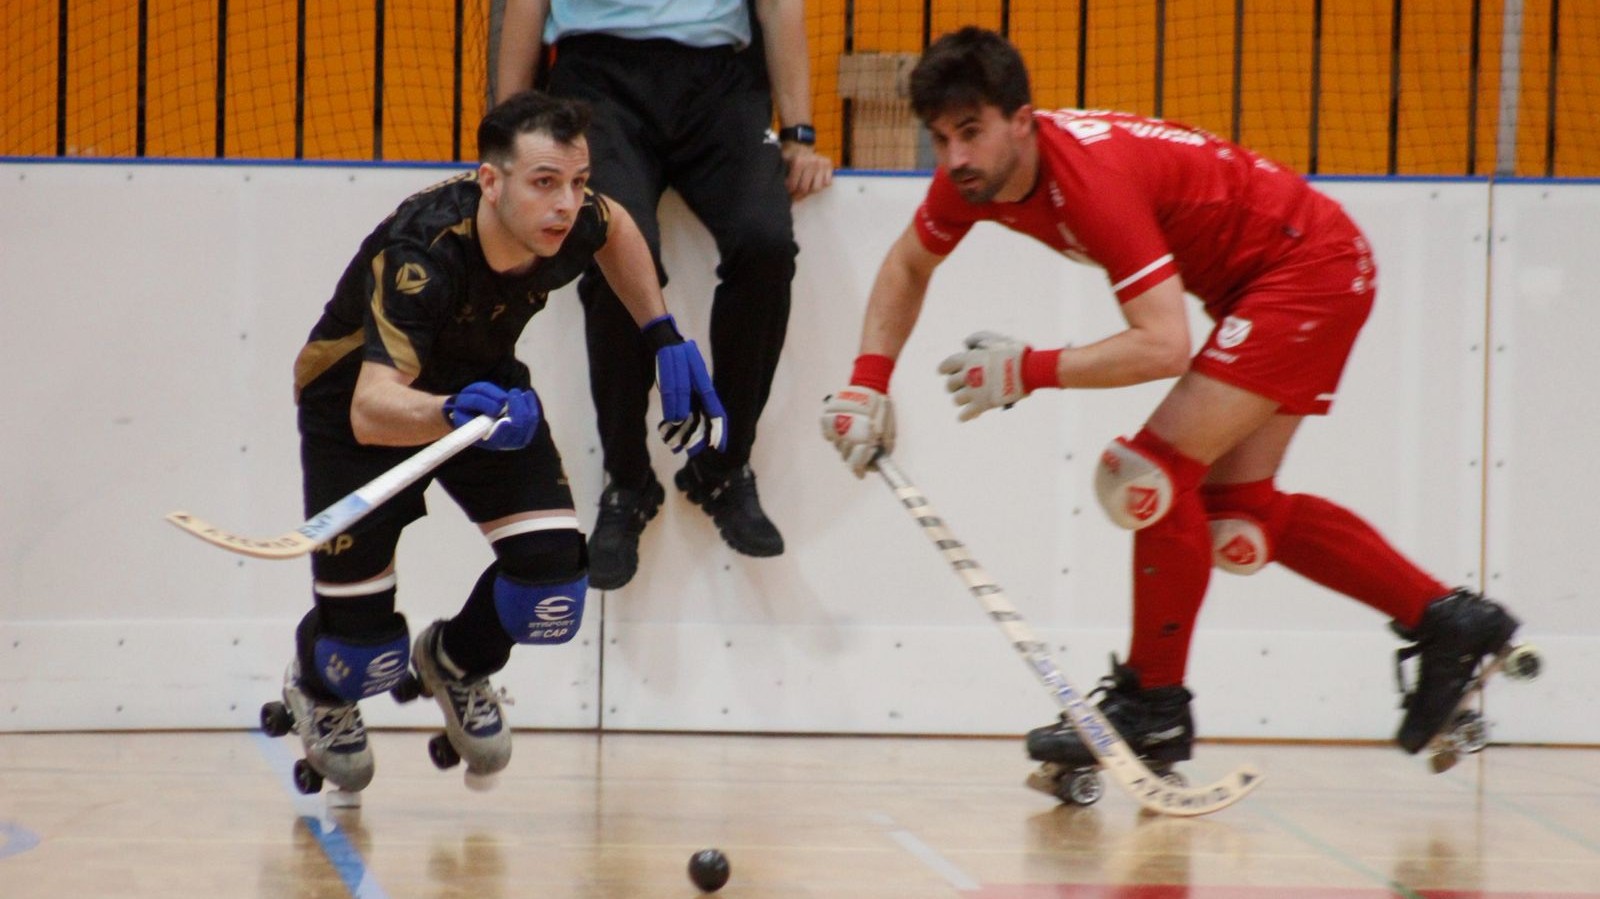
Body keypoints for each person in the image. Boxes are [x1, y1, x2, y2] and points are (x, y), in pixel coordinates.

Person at [818, 27, 1523, 788]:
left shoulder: (1088, 181)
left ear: (1023, 119)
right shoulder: (972, 182)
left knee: (1145, 473)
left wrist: (1028, 369)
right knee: (1236, 514)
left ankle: (1153, 704)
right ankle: (1448, 620)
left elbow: (1161, 345)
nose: (955, 157)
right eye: (941, 137)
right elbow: (906, 264)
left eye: (971, 131)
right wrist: (867, 381)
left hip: (1307, 269)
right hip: (1272, 279)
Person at [284, 90, 726, 793]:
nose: (566, 204)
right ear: (491, 182)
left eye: (578, 182)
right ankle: (319, 690)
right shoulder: (422, 255)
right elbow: (372, 408)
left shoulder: (572, 220)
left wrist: (661, 330)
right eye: (545, 182)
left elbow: (617, 229)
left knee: (552, 588)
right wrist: (454, 413)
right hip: (359, 409)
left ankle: (455, 661)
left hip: (485, 390)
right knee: (362, 655)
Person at [496, 0, 834, 589]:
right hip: (595, 80)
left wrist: (799, 132)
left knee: (766, 244)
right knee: (617, 253)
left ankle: (723, 467)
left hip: (721, 81)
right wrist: (507, 141)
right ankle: (628, 482)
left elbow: (779, 5)